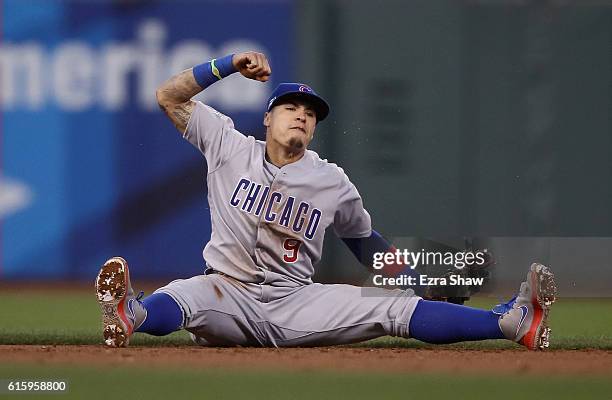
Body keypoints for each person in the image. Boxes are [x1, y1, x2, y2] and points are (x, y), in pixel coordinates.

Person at [95, 51, 556, 350]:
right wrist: (228, 65)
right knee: (183, 295)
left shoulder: (331, 181)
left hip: (294, 302)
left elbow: (364, 242)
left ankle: (511, 324)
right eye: (292, 107)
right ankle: (129, 314)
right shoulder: (227, 144)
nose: (302, 114)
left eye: (311, 113)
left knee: (390, 308)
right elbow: (168, 96)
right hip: (227, 293)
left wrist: (413, 278)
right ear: (268, 116)